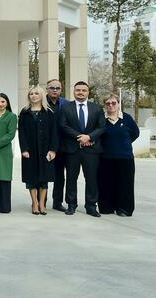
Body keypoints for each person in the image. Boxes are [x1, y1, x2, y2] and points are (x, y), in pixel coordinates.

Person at [58, 81, 106, 217]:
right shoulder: (66, 108)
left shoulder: (96, 108)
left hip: (91, 150)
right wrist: (80, 137)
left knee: (91, 178)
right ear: (74, 91)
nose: (80, 92)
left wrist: (89, 137)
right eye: (78, 90)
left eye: (83, 90)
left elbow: (102, 127)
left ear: (88, 92)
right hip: (72, 149)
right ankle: (71, 204)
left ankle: (91, 206)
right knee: (71, 178)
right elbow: (63, 125)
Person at [18, 86, 58, 215]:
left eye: (36, 93)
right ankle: (34, 202)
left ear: (41, 96)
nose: (33, 96)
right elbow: (22, 133)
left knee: (44, 177)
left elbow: (54, 133)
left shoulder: (49, 112)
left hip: (45, 149)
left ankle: (42, 203)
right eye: (31, 94)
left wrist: (53, 150)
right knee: (31, 177)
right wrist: (24, 149)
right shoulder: (24, 112)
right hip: (30, 150)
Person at [98, 94, 139, 217]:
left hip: (125, 158)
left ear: (118, 103)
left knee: (125, 184)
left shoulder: (126, 118)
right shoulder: (101, 119)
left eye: (113, 103)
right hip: (105, 158)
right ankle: (107, 207)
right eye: (108, 103)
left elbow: (135, 133)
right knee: (106, 183)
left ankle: (124, 209)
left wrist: (123, 144)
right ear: (105, 105)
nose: (111, 105)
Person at [46, 79, 69, 212]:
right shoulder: (41, 102)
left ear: (61, 89)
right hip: (44, 145)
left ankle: (57, 202)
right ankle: (41, 201)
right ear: (47, 89)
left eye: (57, 88)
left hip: (62, 145)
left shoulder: (66, 104)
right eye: (52, 88)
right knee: (43, 174)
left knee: (60, 176)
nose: (55, 90)